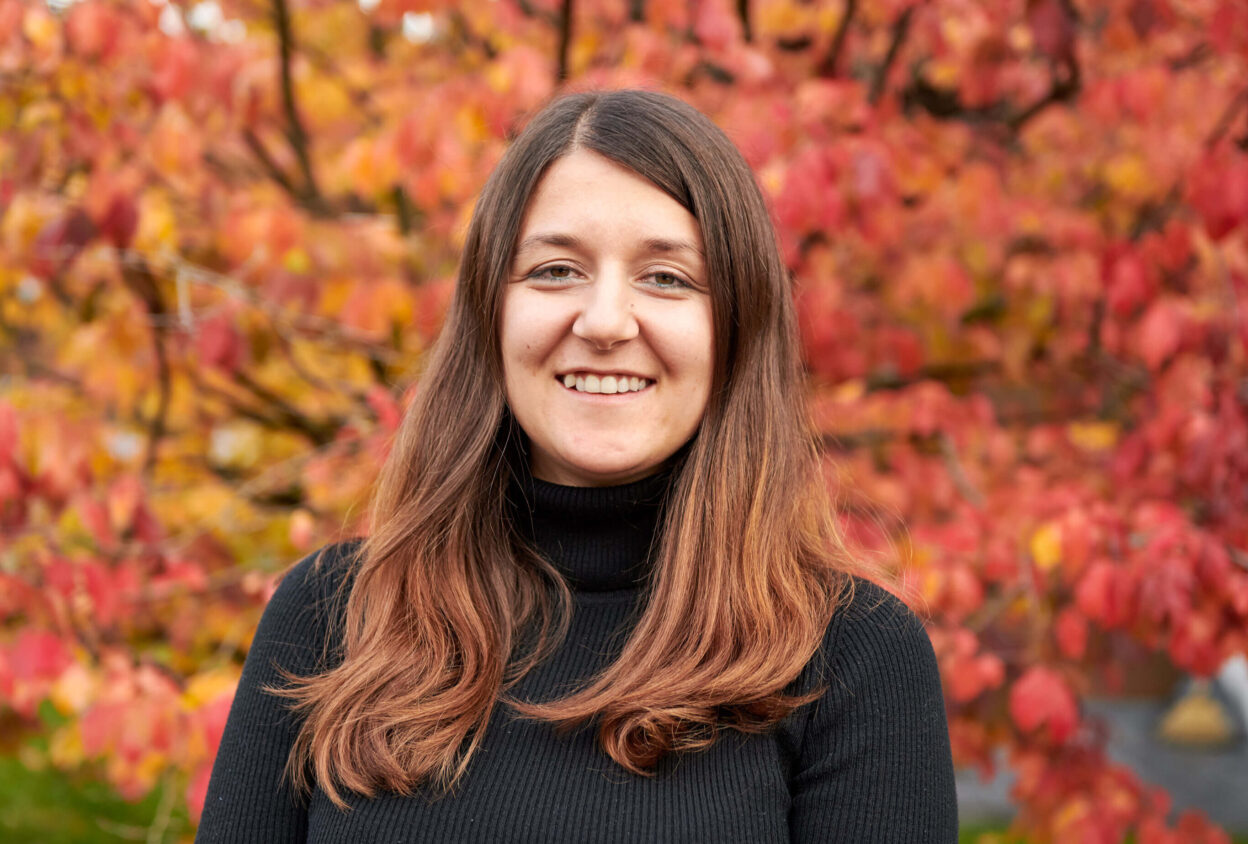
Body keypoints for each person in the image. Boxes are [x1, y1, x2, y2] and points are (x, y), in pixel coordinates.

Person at [196, 89, 957, 843]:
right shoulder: (333, 618)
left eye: (667, 277)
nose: (603, 322)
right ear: (491, 312)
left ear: (736, 326)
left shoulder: (851, 657)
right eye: (557, 270)